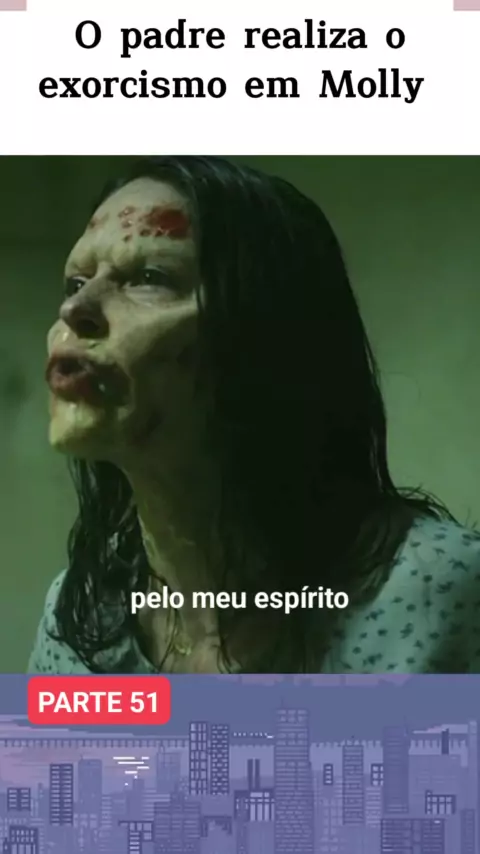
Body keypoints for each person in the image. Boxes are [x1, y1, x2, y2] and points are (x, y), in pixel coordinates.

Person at [28, 156, 480, 675]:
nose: (75, 310)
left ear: (264, 336)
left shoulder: (440, 595)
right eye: (75, 282)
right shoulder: (81, 614)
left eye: (149, 277)